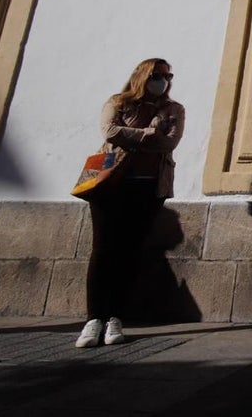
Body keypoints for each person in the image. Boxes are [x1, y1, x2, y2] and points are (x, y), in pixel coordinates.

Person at [76, 58, 184, 348]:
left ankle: (115, 317)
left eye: (167, 75)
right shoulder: (118, 102)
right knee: (102, 250)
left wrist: (135, 137)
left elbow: (169, 143)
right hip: (109, 182)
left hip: (149, 187)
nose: (163, 80)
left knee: (130, 251)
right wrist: (149, 134)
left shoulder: (174, 109)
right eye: (157, 75)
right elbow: (109, 132)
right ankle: (93, 318)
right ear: (142, 76)